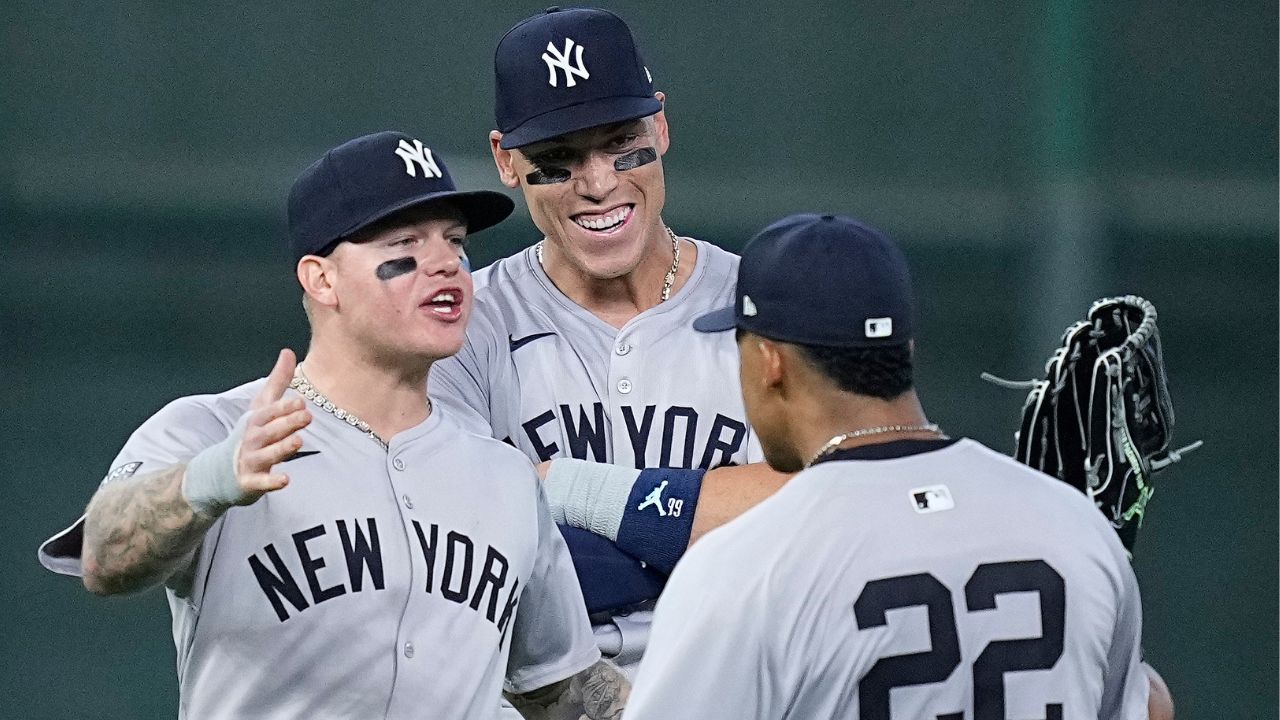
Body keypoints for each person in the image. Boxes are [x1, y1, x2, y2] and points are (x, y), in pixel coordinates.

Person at [37, 131, 628, 719]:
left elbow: (561, 690)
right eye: (406, 243)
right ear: (322, 280)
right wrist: (211, 479)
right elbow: (104, 555)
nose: (446, 262)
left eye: (454, 241)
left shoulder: (504, 475)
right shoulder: (218, 429)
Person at [623, 214, 1153, 719]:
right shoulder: (1072, 528)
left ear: (769, 361)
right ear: (907, 349)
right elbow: (1145, 708)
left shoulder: (746, 567)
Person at [429, 4, 788, 659]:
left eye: (621, 142)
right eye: (558, 158)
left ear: (660, 123)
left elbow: (832, 504)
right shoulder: (463, 324)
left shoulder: (770, 305)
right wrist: (701, 527)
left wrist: (560, 491)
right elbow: (449, 535)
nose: (598, 183)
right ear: (505, 161)